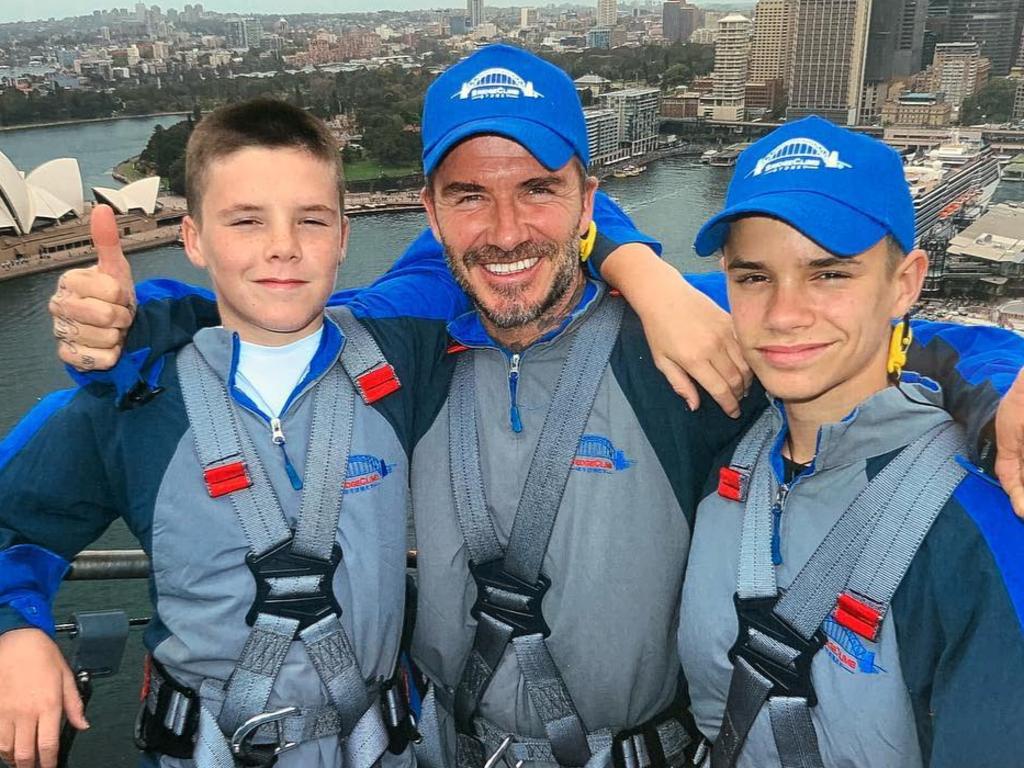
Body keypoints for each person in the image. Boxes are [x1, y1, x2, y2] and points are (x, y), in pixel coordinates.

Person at [40, 47, 1024, 768]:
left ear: (589, 202)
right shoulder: (407, 350)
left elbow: (848, 336)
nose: (506, 228)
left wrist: (1005, 377)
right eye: (469, 196)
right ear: (428, 215)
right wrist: (143, 317)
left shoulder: (679, 336)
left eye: (540, 191)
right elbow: (259, 324)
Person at [678, 116, 1024, 767]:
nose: (783, 314)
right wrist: (630, 261)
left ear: (906, 282)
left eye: (830, 275)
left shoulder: (978, 520)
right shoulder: (734, 445)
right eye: (754, 277)